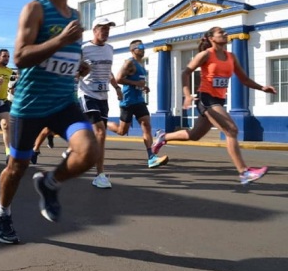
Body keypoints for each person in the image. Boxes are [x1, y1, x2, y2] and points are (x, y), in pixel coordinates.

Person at [0, 0, 98, 244]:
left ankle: (50, 184)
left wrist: (79, 65)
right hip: (30, 105)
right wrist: (60, 40)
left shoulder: (76, 17)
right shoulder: (35, 9)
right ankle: (3, 213)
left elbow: (65, 58)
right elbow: (21, 56)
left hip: (65, 102)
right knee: (17, 169)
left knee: (90, 151)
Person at [152, 27, 276, 185]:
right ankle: (244, 172)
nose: (225, 34)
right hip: (207, 99)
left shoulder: (231, 57)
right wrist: (188, 94)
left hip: (219, 100)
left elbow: (244, 79)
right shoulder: (205, 55)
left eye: (225, 32)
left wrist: (262, 88)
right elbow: (186, 72)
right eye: (221, 33)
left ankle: (163, 136)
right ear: (211, 38)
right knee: (231, 130)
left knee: (195, 135)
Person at [107, 40, 169, 168]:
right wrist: (136, 84)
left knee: (146, 125)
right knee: (121, 131)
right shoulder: (129, 62)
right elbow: (118, 79)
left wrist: (143, 87)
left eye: (143, 46)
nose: (143, 49)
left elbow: (138, 81)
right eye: (140, 47)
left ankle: (151, 157)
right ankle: (104, 122)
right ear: (133, 50)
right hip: (128, 101)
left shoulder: (141, 64)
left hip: (139, 101)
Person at [77, 17, 123, 189]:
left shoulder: (110, 49)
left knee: (97, 137)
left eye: (108, 29)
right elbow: (75, 70)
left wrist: (117, 88)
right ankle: (100, 175)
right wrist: (80, 73)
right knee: (101, 133)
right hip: (87, 94)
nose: (106, 32)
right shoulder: (84, 48)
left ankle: (77, 150)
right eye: (103, 29)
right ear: (94, 30)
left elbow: (108, 71)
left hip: (103, 96)